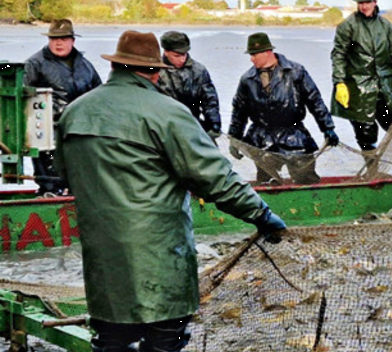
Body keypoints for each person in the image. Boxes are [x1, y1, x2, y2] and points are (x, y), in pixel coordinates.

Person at [56, 30, 287, 352]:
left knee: (110, 342)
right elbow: (216, 178)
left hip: (103, 264)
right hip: (160, 261)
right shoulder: (167, 112)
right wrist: (262, 214)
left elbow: (63, 174)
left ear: (115, 67)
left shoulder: (74, 112)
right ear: (155, 71)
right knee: (165, 342)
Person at [330, 0, 392, 175]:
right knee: (366, 136)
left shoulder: (386, 26)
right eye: (361, 3)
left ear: (375, 2)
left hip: (387, 88)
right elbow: (338, 55)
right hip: (359, 89)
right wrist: (339, 83)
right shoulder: (347, 26)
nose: (364, 6)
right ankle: (373, 175)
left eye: (367, 2)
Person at [228, 32, 339, 184]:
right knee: (266, 181)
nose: (251, 59)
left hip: (294, 136)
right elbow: (239, 112)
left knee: (305, 177)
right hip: (262, 138)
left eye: (254, 55)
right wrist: (234, 139)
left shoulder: (296, 71)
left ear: (267, 52)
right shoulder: (247, 79)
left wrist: (327, 127)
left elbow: (315, 101)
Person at [23, 19, 102, 196]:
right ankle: (48, 198)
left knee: (80, 178)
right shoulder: (34, 64)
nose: (58, 42)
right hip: (46, 132)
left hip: (80, 131)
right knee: (50, 180)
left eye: (64, 38)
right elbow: (23, 98)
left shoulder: (85, 65)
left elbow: (99, 93)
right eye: (54, 38)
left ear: (72, 40)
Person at [158, 31, 222, 139]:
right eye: (177, 56)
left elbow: (210, 100)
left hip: (193, 123)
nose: (182, 59)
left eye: (184, 54)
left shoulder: (199, 71)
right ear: (166, 52)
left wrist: (214, 123)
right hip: (164, 127)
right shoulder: (155, 71)